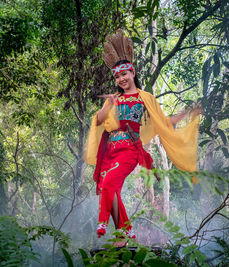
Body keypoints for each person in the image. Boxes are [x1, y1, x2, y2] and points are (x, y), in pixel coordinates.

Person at [84, 30, 201, 246]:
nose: (121, 79)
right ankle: (125, 236)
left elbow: (164, 122)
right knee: (110, 191)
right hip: (110, 151)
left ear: (132, 72)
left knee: (109, 184)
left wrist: (187, 114)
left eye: (124, 74)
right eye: (117, 77)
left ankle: (123, 236)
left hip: (129, 150)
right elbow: (99, 121)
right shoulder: (114, 98)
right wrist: (108, 104)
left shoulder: (144, 97)